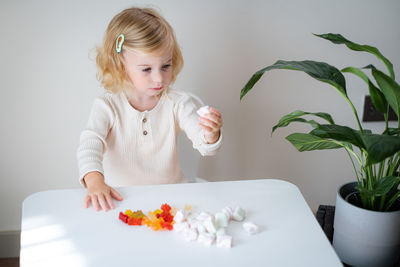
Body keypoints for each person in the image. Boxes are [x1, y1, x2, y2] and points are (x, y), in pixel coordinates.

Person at [77, 7, 223, 212]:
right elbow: (89, 145)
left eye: (166, 66)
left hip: (172, 200)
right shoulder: (107, 107)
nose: (159, 78)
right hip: (120, 200)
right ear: (120, 65)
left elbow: (206, 147)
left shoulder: (177, 103)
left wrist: (210, 134)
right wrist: (94, 181)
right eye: (146, 69)